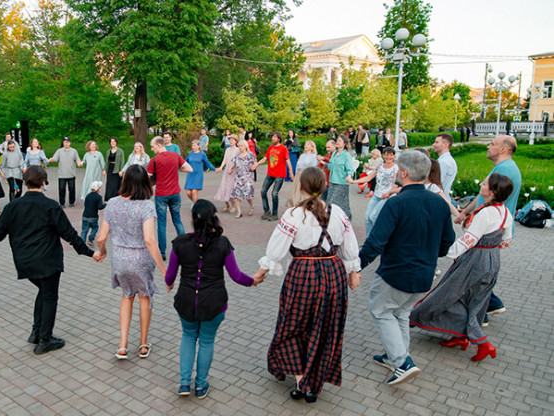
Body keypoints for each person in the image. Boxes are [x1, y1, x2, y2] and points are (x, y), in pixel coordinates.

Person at [254, 167, 361, 403]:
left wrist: (260, 274)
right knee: (325, 325)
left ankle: (303, 381)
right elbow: (350, 247)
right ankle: (314, 382)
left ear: (301, 186)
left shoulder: (293, 215)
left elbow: (276, 250)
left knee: (294, 324)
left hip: (304, 273)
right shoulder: (339, 212)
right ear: (324, 187)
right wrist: (353, 272)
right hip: (333, 273)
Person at [0, 166, 101, 354]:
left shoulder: (12, 206)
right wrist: (90, 253)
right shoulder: (51, 206)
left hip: (24, 261)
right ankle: (45, 340)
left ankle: (36, 333)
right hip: (48, 261)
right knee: (50, 296)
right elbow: (69, 234)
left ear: (26, 182)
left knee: (43, 292)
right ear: (44, 182)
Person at [359, 150, 455, 386]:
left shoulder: (396, 203)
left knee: (381, 311)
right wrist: (432, 255)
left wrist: (355, 266)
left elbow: (375, 242)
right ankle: (396, 356)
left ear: (403, 172)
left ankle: (402, 363)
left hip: (396, 273)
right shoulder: (439, 203)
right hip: (424, 274)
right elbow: (447, 240)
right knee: (401, 313)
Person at [410, 173, 513, 362]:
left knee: (449, 293)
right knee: (477, 301)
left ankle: (482, 342)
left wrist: (448, 253)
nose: (481, 184)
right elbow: (506, 242)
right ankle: (461, 337)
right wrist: (490, 248)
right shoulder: (505, 213)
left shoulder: (485, 213)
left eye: (484, 183)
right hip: (493, 260)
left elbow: (469, 239)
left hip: (475, 259)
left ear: (492, 191)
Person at [166, 199, 262, 398]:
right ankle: (200, 385)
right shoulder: (222, 243)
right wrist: (252, 281)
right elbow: (236, 275)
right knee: (207, 341)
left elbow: (169, 277)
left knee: (188, 336)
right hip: (214, 303)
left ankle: (184, 383)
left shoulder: (180, 242)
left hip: (186, 301)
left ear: (193, 219)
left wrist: (169, 282)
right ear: (214, 218)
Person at [96, 165, 167, 360]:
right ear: (145, 182)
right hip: (141, 259)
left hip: (119, 258)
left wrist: (102, 252)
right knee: (144, 297)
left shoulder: (112, 203)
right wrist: (163, 269)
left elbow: (101, 237)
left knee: (127, 296)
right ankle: (143, 344)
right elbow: (150, 240)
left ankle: (122, 345)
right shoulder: (146, 205)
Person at [455, 135, 521, 321]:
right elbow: (482, 196)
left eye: (492, 144)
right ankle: (491, 305)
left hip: (489, 229)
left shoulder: (505, 169)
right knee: (477, 270)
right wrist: (466, 212)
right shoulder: (503, 168)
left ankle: (481, 313)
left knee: (474, 272)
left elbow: (489, 198)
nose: (488, 147)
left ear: (502, 150)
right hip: (489, 227)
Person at [147, 136, 193, 259]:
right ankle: (184, 248)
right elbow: (189, 169)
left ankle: (162, 253)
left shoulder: (154, 160)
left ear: (160, 145)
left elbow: (148, 177)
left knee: (162, 224)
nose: (152, 149)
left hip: (161, 195)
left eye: (153, 146)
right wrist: (176, 168)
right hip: (175, 193)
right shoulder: (175, 156)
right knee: (177, 220)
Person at [347, 147, 398, 236]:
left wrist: (388, 193)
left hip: (387, 197)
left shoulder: (396, 168)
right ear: (383, 155)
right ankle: (369, 240)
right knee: (367, 218)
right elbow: (369, 177)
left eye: (391, 155)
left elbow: (395, 184)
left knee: (374, 217)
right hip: (377, 195)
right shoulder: (380, 166)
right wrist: (353, 181)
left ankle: (380, 238)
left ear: (394, 156)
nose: (388, 157)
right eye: (386, 155)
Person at [252, 132, 294, 221]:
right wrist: (257, 164)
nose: (272, 138)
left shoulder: (283, 148)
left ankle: (274, 214)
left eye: (274, 137)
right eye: (272, 137)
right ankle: (266, 211)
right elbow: (265, 158)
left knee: (274, 194)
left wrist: (291, 174)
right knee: (263, 191)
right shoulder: (270, 148)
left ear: (279, 139)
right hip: (270, 174)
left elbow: (288, 161)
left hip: (279, 175)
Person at [322, 136, 353, 220]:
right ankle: (345, 219)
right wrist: (323, 162)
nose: (337, 142)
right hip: (332, 182)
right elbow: (331, 166)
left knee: (333, 203)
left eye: (340, 141)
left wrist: (349, 176)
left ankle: (340, 220)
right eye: (337, 140)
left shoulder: (346, 155)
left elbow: (350, 169)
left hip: (342, 183)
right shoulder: (335, 153)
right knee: (341, 204)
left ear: (344, 143)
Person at [49, 137, 82, 207]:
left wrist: (79, 163)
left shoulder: (74, 151)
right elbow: (55, 159)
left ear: (70, 143)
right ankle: (62, 203)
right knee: (61, 189)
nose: (66, 143)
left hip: (71, 174)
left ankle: (71, 202)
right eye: (64, 142)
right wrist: (51, 160)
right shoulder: (59, 151)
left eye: (67, 142)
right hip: (62, 175)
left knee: (72, 189)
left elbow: (77, 159)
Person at [184, 139, 219, 203]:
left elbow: (207, 163)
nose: (193, 147)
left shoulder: (202, 154)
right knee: (188, 192)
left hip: (198, 175)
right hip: (190, 174)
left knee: (194, 191)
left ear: (198, 146)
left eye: (194, 145)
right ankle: (196, 203)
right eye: (192, 146)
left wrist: (214, 169)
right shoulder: (190, 154)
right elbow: (185, 162)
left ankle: (196, 208)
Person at [229, 140, 257, 218]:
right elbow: (234, 164)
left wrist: (254, 167)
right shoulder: (237, 155)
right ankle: (239, 212)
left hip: (248, 178)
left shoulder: (250, 154)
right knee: (237, 195)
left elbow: (255, 162)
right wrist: (231, 169)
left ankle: (251, 206)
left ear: (245, 146)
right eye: (239, 146)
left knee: (248, 195)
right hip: (238, 178)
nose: (240, 147)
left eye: (241, 146)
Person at [213, 136, 239, 213]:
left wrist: (232, 169)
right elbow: (225, 159)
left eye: (232, 140)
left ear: (236, 141)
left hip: (234, 171)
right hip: (226, 171)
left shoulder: (238, 150)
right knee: (223, 187)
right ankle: (227, 204)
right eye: (230, 140)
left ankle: (233, 206)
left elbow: (237, 161)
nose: (231, 142)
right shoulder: (227, 149)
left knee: (231, 188)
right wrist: (221, 167)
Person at [432, 133, 457, 200]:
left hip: (439, 199)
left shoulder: (443, 162)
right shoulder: (446, 160)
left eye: (436, 142)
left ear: (445, 145)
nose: (433, 145)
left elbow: (436, 184)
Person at [81, 181, 106, 246]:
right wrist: (105, 204)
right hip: (93, 217)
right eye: (100, 188)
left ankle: (82, 243)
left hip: (85, 216)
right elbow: (100, 207)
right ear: (97, 189)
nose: (100, 189)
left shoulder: (87, 196)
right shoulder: (98, 197)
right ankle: (91, 239)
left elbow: (85, 204)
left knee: (84, 230)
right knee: (95, 228)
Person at [104, 137, 124, 201]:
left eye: (114, 141)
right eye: (111, 142)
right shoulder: (108, 151)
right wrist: (105, 170)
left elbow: (122, 161)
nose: (112, 143)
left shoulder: (120, 151)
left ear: (116, 142)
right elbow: (107, 162)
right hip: (110, 168)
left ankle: (117, 198)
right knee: (109, 184)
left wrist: (121, 170)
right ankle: (109, 198)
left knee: (116, 184)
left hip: (117, 169)